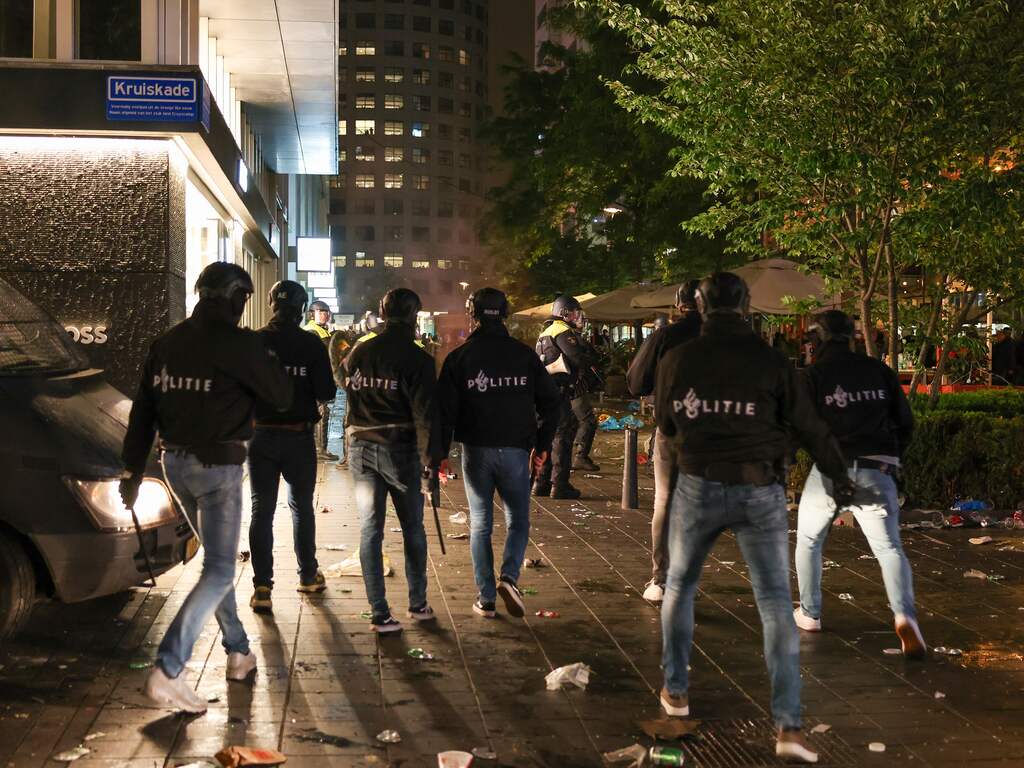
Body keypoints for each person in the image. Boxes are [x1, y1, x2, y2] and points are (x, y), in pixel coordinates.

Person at [655, 272, 852, 764]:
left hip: (698, 483)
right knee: (774, 603)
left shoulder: (679, 359)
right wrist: (839, 477)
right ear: (745, 307)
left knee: (680, 586)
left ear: (700, 306)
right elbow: (810, 425)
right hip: (760, 487)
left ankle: (675, 691)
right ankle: (788, 724)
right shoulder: (771, 361)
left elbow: (665, 421)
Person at [120, 263, 293, 714]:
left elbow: (143, 411)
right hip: (218, 467)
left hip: (174, 465)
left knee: (217, 562)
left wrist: (132, 470)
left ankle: (238, 651)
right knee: (218, 570)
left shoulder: (167, 343)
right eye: (243, 299)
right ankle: (168, 668)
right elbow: (282, 396)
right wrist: (265, 359)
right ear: (234, 298)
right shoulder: (240, 344)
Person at [794, 310, 926, 659]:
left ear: (818, 340)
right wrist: (892, 459)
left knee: (809, 540)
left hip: (830, 472)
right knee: (889, 548)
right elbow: (905, 423)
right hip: (876, 468)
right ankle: (905, 616)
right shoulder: (878, 371)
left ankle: (810, 613)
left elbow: (800, 428)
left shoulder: (813, 376)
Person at [438, 288, 561, 618]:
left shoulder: (460, 358)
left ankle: (486, 598)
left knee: (480, 524)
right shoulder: (524, 356)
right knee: (518, 520)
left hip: (476, 451)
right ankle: (509, 577)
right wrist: (543, 445)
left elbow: (443, 412)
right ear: (505, 313)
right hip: (516, 452)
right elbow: (551, 403)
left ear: (472, 314)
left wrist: (438, 454)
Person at [343, 288, 443, 633]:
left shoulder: (360, 351)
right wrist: (430, 463)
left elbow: (345, 383)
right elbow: (425, 416)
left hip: (361, 448)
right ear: (414, 316)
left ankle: (379, 612)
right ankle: (418, 603)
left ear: (382, 313)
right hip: (399, 451)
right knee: (413, 526)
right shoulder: (418, 359)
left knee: (370, 529)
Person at [248, 281, 337, 614]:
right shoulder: (310, 343)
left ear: (271, 303)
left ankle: (262, 587)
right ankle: (308, 575)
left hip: (260, 436)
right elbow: (326, 392)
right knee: (301, 507)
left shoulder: (255, 341)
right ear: (302, 308)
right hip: (299, 437)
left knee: (262, 510)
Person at [626, 280, 702, 603]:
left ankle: (662, 579)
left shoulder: (665, 336)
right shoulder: (728, 340)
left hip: (672, 426)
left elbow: (636, 382)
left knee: (666, 500)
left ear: (679, 305)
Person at [533, 294, 590, 499]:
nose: (577, 317)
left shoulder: (545, 332)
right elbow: (577, 358)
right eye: (574, 313)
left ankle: (541, 482)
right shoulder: (562, 331)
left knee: (546, 437)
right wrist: (586, 354)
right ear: (564, 313)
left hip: (543, 393)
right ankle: (560, 484)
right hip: (558, 392)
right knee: (562, 437)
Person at [303, 300, 339, 460]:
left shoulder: (321, 331)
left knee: (321, 412)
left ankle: (317, 448)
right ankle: (320, 450)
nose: (326, 315)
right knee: (322, 413)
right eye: (322, 312)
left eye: (327, 312)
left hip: (318, 379)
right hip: (315, 380)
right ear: (312, 314)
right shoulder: (312, 331)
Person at [571, 328, 603, 472]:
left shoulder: (554, 335)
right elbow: (583, 359)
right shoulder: (568, 337)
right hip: (575, 387)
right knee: (587, 420)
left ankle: (572, 457)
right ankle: (580, 456)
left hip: (569, 386)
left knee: (571, 423)